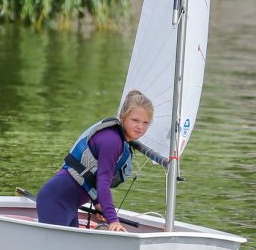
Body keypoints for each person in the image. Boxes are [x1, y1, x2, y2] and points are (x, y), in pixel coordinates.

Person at [36, 90, 168, 232]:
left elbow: (88, 178)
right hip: (57, 200)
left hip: (67, 203)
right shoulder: (112, 141)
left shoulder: (118, 139)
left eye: (145, 123)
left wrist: (98, 204)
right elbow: (102, 182)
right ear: (123, 116)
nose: (140, 127)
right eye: (135, 120)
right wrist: (113, 220)